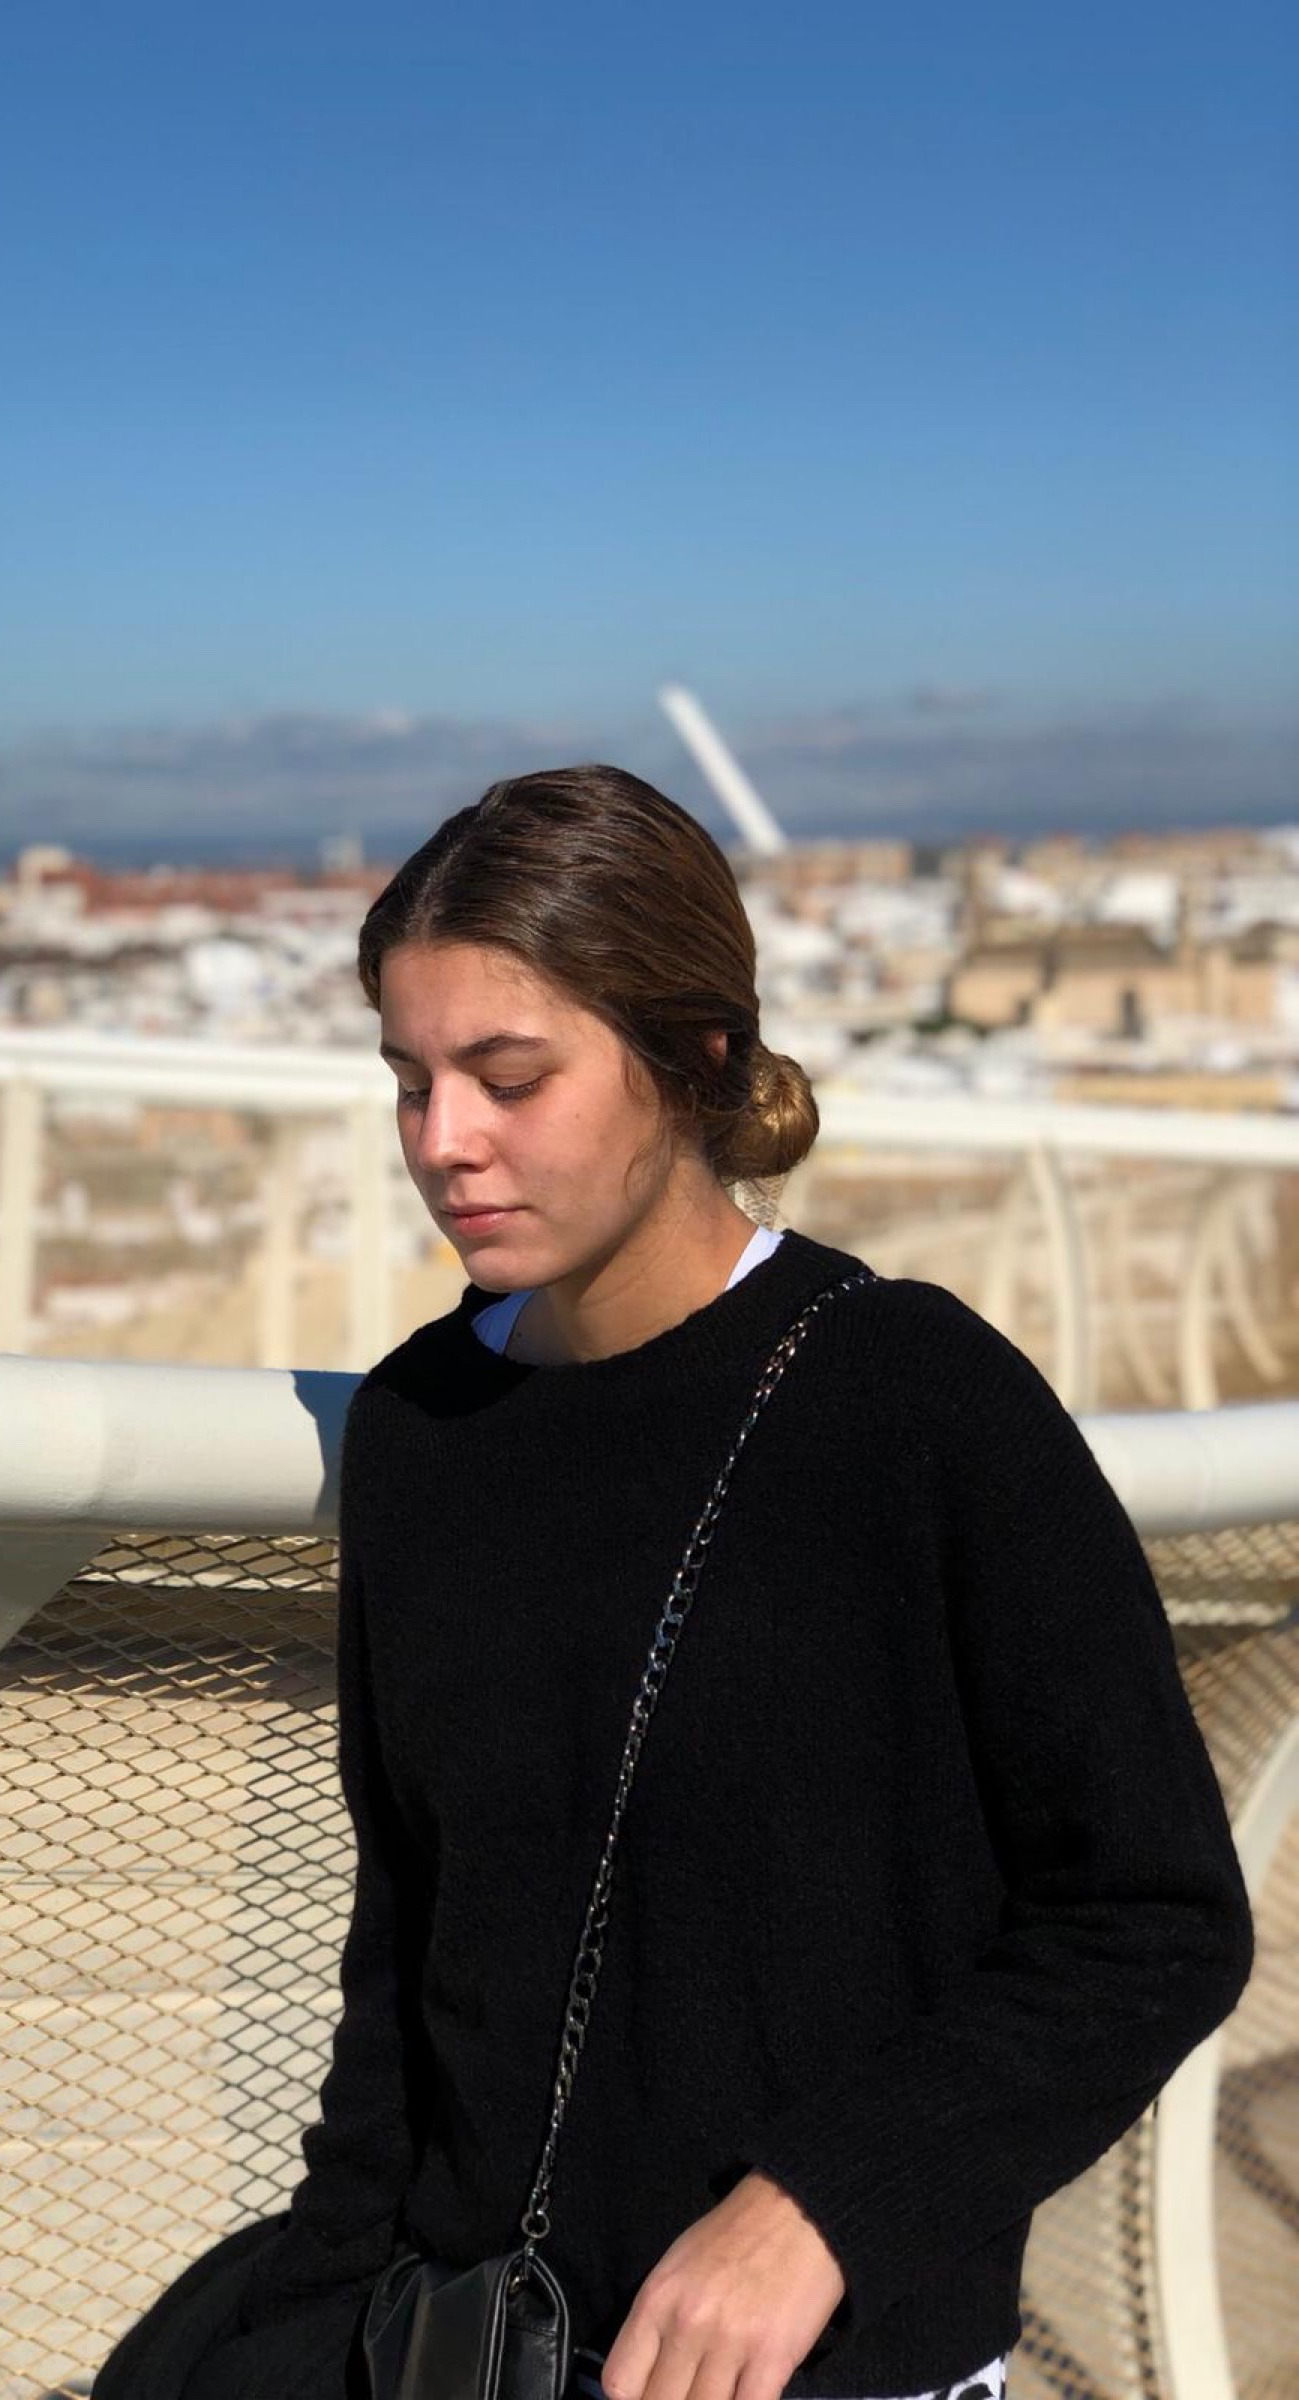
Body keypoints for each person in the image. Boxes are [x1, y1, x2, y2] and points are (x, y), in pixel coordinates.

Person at [89, 764, 1255, 2400]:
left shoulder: (914, 1402)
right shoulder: (422, 1428)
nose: (445, 1143)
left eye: (510, 1078)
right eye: (409, 1082)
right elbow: (410, 1953)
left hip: (828, 2363)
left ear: (696, 1056)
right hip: (467, 2348)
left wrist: (816, 2211)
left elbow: (1152, 1919)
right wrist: (318, 2314)